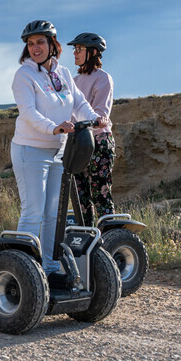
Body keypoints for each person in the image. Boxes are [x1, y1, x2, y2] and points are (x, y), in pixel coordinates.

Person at [10, 20, 108, 276]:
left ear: (52, 44)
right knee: (33, 211)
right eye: (30, 44)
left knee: (54, 214)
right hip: (29, 150)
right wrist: (55, 127)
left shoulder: (63, 73)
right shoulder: (24, 75)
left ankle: (50, 267)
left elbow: (79, 103)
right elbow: (28, 113)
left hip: (57, 152)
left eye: (40, 42)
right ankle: (24, 270)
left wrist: (96, 118)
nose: (35, 48)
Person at [68, 32, 115, 228]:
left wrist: (92, 120)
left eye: (79, 49)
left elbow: (100, 113)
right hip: (78, 143)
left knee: (100, 194)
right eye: (74, 50)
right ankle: (84, 238)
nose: (75, 53)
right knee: (80, 199)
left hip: (99, 141)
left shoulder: (103, 79)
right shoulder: (74, 80)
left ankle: (110, 238)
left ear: (93, 52)